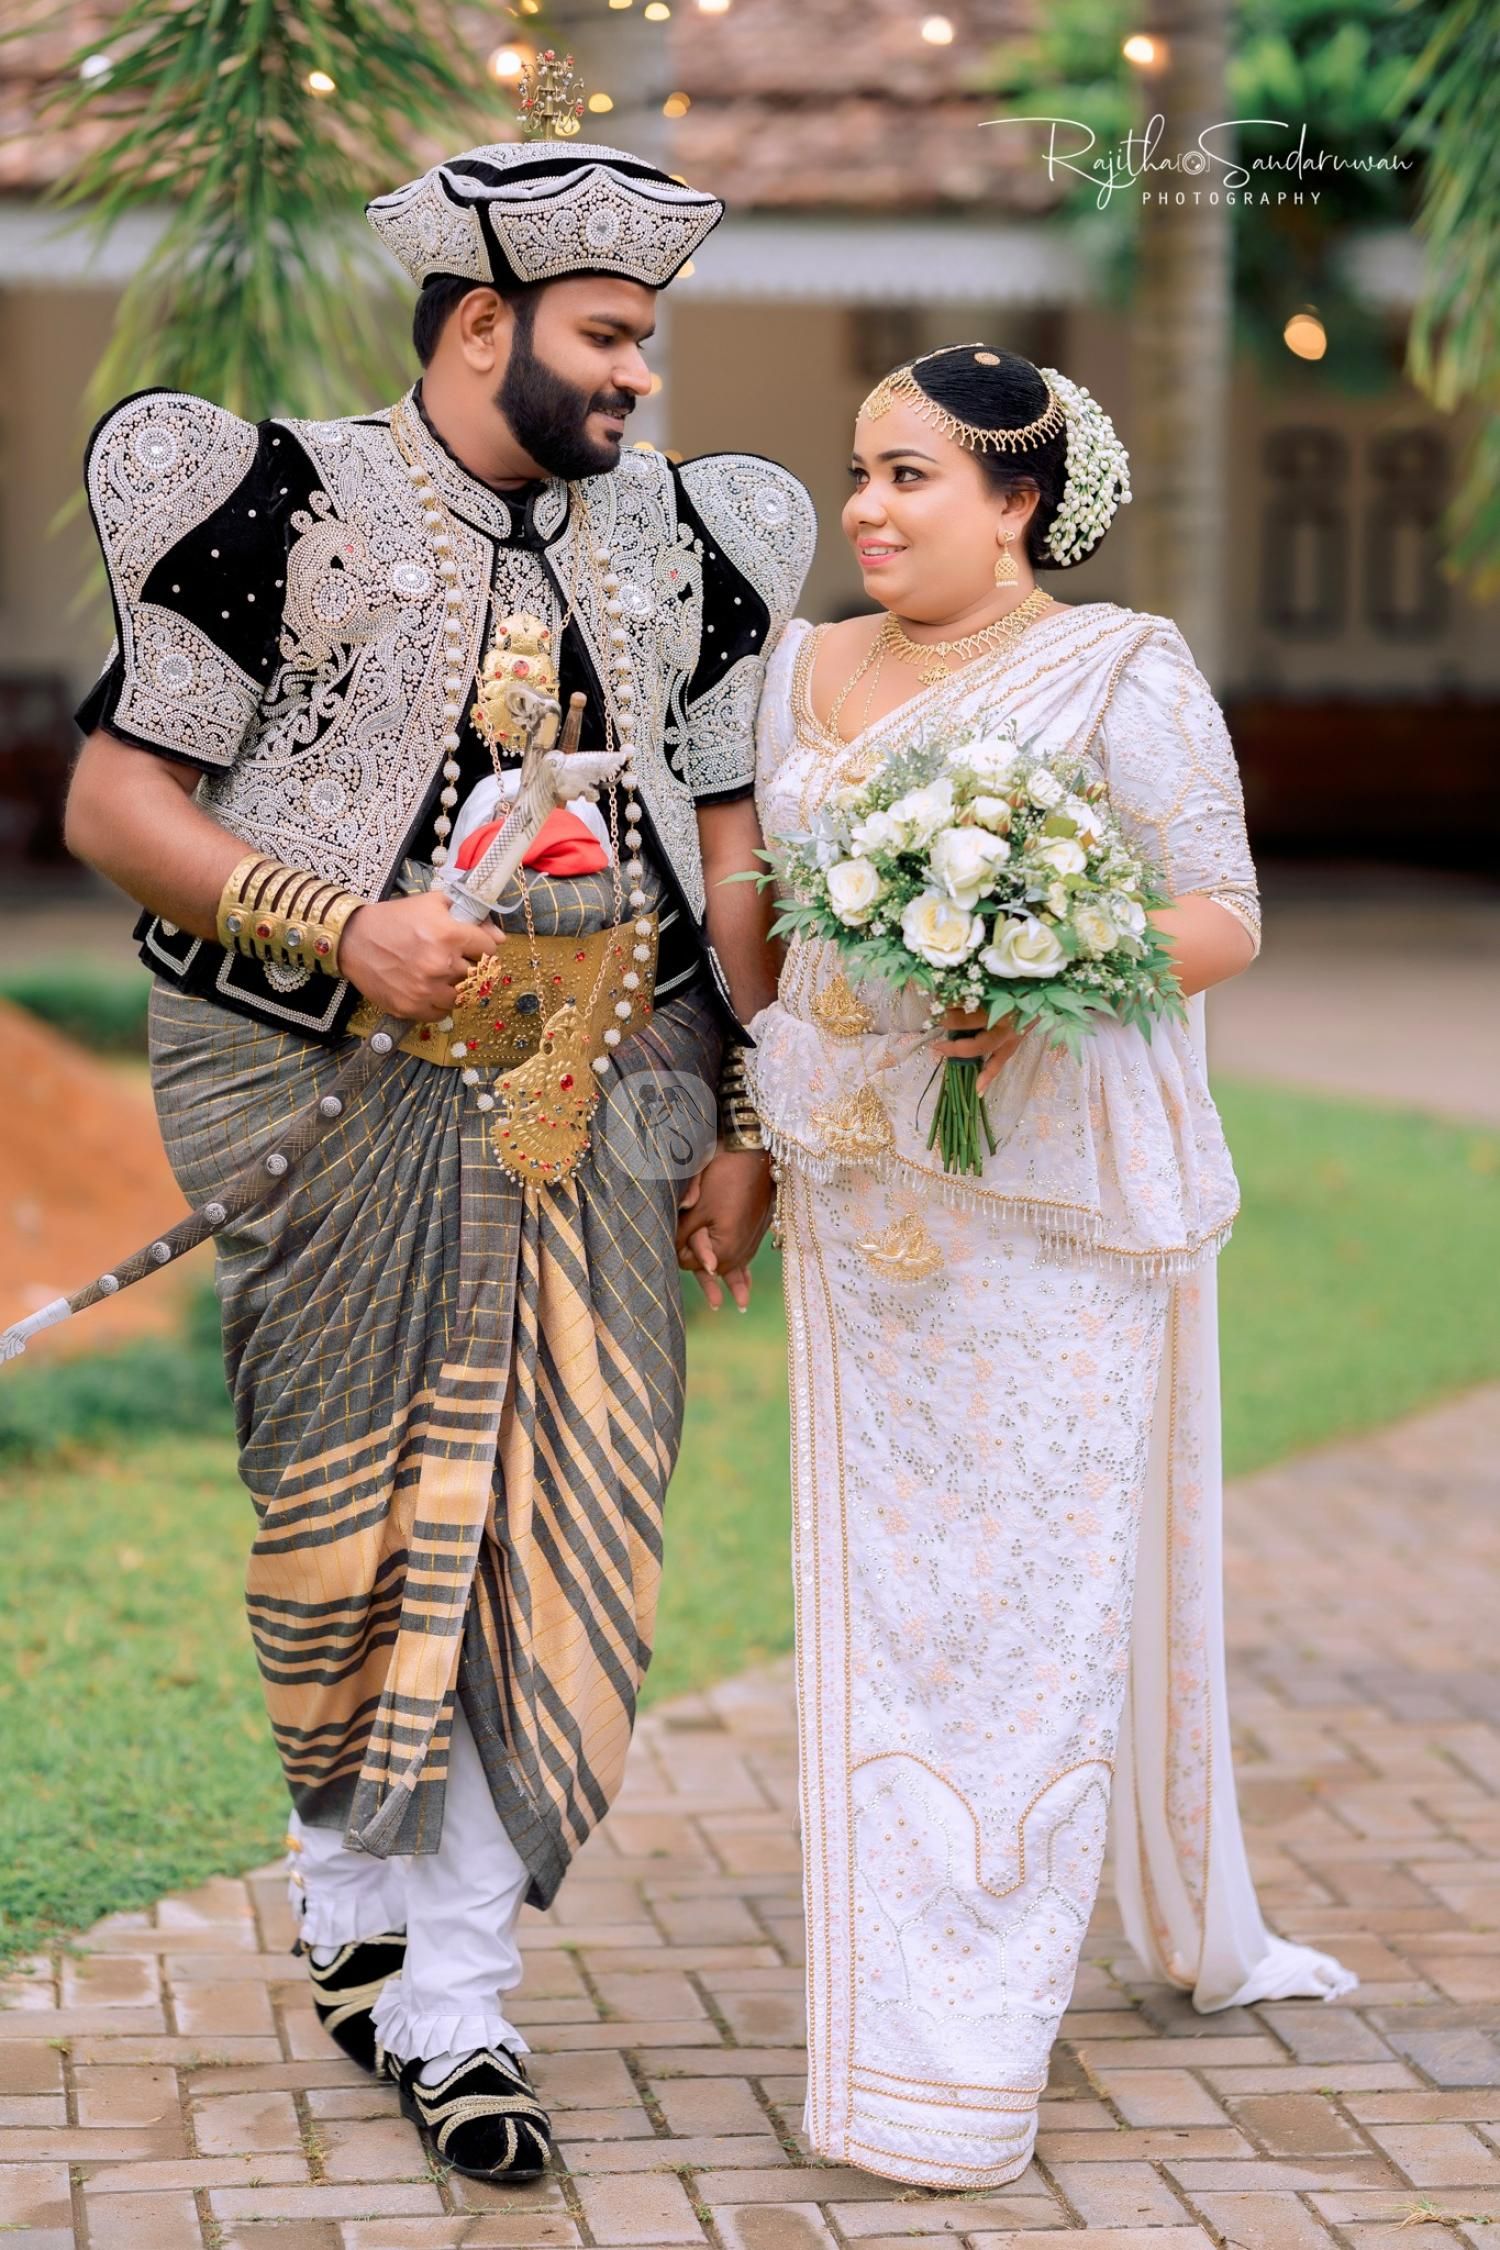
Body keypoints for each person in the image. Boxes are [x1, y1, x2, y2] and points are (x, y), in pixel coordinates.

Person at [64, 96, 813, 2182]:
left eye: (646, 337)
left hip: (609, 1093)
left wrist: (749, 1103)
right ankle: (347, 1883)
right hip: (317, 1087)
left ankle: (460, 1994)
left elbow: (726, 846)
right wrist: (339, 921)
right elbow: (118, 801)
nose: (639, 374)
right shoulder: (275, 502)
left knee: (563, 1528)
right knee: (344, 1534)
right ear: (482, 323)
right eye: (605, 335)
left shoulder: (689, 542)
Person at [747, 344, 1353, 2189]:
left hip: (1051, 1214)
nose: (866, 507)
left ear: (1017, 503)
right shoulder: (797, 668)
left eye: (910, 476)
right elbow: (766, 922)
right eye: (861, 469)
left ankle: (960, 2070)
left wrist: (1040, 973)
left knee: (1024, 1618)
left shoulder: (1121, 670)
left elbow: (1223, 913)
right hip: (861, 1205)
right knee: (886, 1611)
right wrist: (742, 1131)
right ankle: (894, 2017)